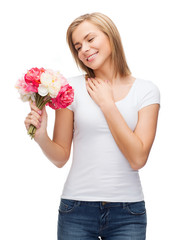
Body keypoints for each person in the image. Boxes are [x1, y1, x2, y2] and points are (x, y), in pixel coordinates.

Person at [24, 12, 160, 240]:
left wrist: (107, 104)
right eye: (77, 46)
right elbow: (60, 158)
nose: (84, 49)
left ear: (110, 36)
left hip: (128, 212)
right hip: (76, 209)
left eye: (90, 39)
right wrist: (41, 137)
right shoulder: (70, 89)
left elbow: (138, 159)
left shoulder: (146, 91)